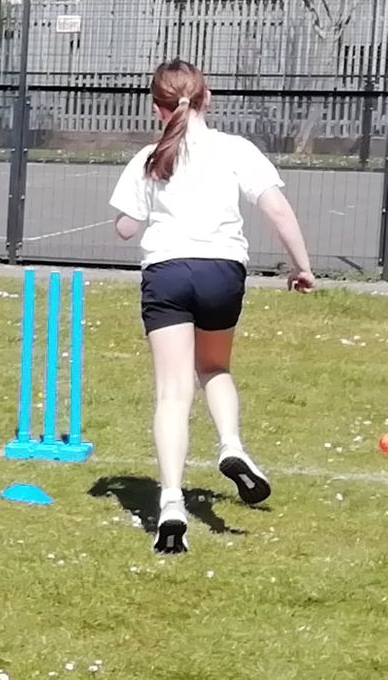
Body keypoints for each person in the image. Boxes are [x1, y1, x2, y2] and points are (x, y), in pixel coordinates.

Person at [108, 59, 314, 555]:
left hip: (168, 273)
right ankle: (232, 447)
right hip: (223, 272)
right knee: (215, 366)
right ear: (208, 97)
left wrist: (131, 217)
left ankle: (173, 503)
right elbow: (276, 208)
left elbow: (126, 227)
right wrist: (301, 266)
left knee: (172, 392)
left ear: (158, 108)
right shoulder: (236, 150)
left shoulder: (150, 156)